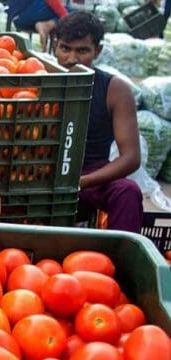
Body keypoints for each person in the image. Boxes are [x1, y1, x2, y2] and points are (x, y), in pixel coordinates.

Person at [54, 12, 142, 232]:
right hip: (44, 171)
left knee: (127, 191)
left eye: (82, 50)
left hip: (91, 174)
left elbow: (131, 158)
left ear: (98, 51)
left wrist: (83, 181)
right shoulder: (41, 77)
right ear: (55, 45)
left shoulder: (115, 89)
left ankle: (122, 263)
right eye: (65, 48)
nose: (72, 59)